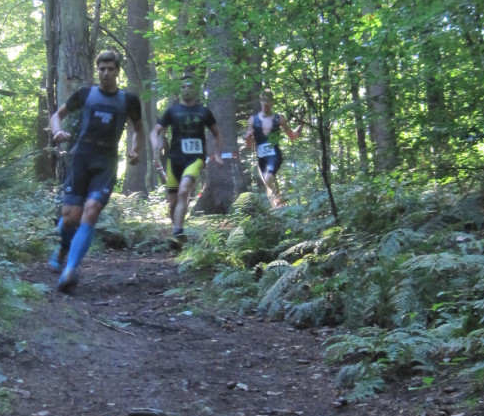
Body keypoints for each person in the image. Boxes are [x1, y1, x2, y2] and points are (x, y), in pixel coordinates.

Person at [48, 49, 145, 292]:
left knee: (90, 214)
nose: (105, 73)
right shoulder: (85, 94)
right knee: (70, 219)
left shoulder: (128, 100)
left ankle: (70, 270)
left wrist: (135, 150)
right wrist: (57, 131)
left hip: (106, 164)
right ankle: (64, 245)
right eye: (101, 69)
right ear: (97, 70)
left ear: (117, 71)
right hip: (81, 159)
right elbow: (56, 116)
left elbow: (139, 129)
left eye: (110, 69)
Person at [151, 75, 225, 245]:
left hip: (195, 159)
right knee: (172, 202)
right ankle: (176, 227)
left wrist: (218, 155)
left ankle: (177, 233)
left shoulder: (204, 112)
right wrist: (157, 144)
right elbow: (155, 131)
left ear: (195, 89)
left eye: (189, 87)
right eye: (183, 87)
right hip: (174, 160)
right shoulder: (172, 111)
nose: (186, 90)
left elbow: (217, 134)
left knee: (184, 191)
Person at [243, 88, 302, 208]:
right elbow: (248, 146)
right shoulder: (253, 119)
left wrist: (301, 126)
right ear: (260, 101)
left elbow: (292, 136)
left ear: (273, 103)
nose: (266, 103)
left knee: (269, 178)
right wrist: (248, 138)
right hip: (261, 158)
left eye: (269, 101)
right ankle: (278, 208)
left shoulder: (279, 117)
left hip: (274, 155)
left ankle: (281, 205)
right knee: (268, 182)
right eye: (264, 100)